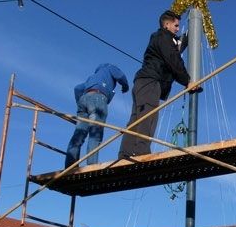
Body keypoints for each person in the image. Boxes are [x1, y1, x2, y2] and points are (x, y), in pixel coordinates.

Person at [118, 9, 196, 159]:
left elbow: (176, 48)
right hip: (151, 81)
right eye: (176, 26)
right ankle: (141, 151)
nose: (177, 29)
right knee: (148, 115)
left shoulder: (160, 39)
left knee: (137, 117)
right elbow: (173, 59)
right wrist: (187, 81)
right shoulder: (164, 37)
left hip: (141, 81)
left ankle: (125, 153)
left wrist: (189, 35)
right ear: (166, 25)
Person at [65, 63, 129, 168]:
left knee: (78, 135)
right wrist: (125, 86)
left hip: (83, 100)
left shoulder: (92, 78)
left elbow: (77, 88)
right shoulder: (109, 68)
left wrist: (80, 103)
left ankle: (70, 166)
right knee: (95, 134)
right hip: (98, 98)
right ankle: (92, 165)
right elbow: (120, 75)